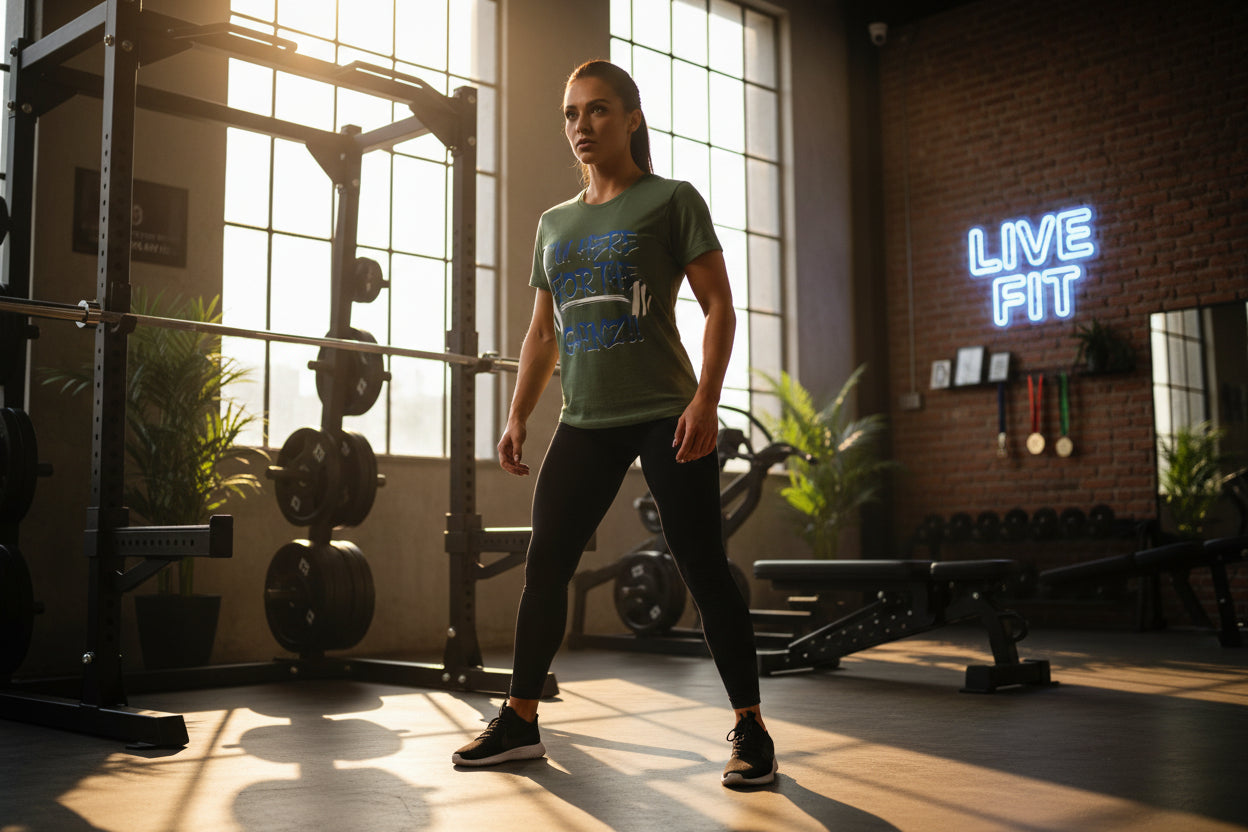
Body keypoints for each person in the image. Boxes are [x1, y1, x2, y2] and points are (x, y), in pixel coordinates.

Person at [451, 59, 775, 788]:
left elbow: (719, 305)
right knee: (545, 567)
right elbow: (543, 333)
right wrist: (518, 415)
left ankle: (751, 728)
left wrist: (706, 400)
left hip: (667, 414)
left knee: (703, 568)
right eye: (571, 114)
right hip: (586, 420)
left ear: (631, 118)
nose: (582, 127)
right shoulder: (554, 224)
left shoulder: (670, 200)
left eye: (598, 111)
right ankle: (521, 719)